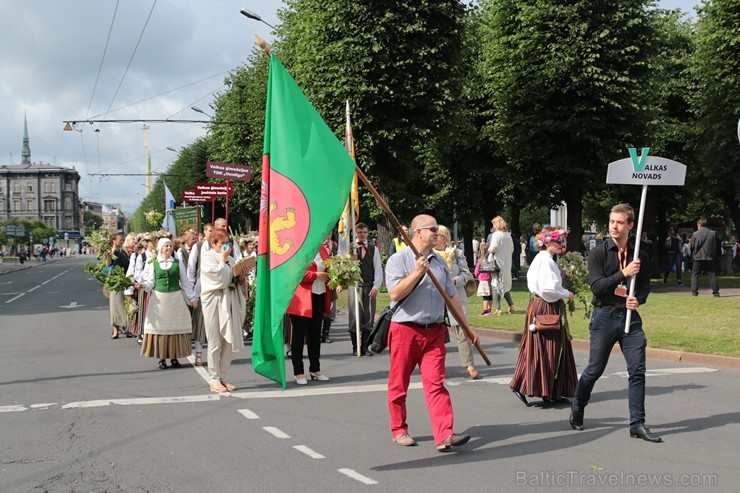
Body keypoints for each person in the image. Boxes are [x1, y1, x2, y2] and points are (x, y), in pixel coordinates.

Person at [570, 203, 662, 442]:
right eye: (612, 221)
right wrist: (624, 273)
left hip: (630, 319)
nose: (614, 226)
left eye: (620, 222)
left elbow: (644, 287)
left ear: (631, 225)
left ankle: (637, 424)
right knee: (594, 370)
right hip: (604, 316)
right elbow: (597, 287)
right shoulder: (598, 253)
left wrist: (637, 300)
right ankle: (578, 406)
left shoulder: (639, 255)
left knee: (637, 371)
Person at [385, 214, 477, 451]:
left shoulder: (439, 263)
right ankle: (399, 429)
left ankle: (445, 434)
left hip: (434, 331)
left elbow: (452, 297)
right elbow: (395, 294)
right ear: (417, 233)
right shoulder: (398, 260)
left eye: (438, 229)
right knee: (399, 384)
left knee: (436, 384)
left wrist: (465, 326)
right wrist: (416, 273)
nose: (438, 232)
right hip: (405, 330)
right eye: (433, 229)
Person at [510, 226, 577, 405]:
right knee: (548, 348)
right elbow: (549, 288)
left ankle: (546, 390)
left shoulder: (542, 259)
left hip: (539, 305)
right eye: (557, 241)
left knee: (539, 347)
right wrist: (567, 293)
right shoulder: (546, 260)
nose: (561, 244)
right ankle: (540, 389)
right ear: (547, 242)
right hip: (546, 306)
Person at [139, 238, 197, 370]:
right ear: (160, 248)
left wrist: (192, 298)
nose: (169, 248)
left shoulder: (177, 263)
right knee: (161, 329)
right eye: (166, 246)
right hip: (159, 300)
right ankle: (162, 358)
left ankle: (174, 357)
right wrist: (143, 286)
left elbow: (185, 281)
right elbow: (150, 283)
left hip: (175, 298)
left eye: (171, 246)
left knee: (174, 328)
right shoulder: (153, 263)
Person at [200, 229, 246, 393]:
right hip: (214, 301)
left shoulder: (230, 258)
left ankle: (223, 376)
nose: (227, 247)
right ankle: (213, 378)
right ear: (213, 243)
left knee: (229, 340)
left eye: (228, 243)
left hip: (230, 301)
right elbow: (217, 279)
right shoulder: (207, 257)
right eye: (223, 243)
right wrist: (222, 261)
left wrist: (242, 275)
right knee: (215, 341)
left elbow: (234, 278)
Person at [433, 225, 478, 379]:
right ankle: (435, 366)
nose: (434, 237)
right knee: (435, 331)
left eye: (437, 235)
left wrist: (455, 280)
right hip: (436, 298)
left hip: (456, 295)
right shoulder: (429, 254)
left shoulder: (457, 253)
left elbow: (466, 274)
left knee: (462, 330)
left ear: (445, 238)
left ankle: (469, 365)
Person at [287, 238, 334, 385]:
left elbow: (330, 268)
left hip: (319, 295)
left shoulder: (323, 249)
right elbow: (296, 273)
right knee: (299, 335)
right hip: (302, 299)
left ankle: (315, 369)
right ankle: (298, 372)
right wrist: (315, 276)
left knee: (315, 334)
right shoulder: (299, 248)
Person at [348, 223, 383, 356]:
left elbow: (378, 269)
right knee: (354, 316)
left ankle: (365, 346)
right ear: (356, 233)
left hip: (369, 285)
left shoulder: (373, 249)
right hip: (354, 286)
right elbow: (342, 266)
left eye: (364, 232)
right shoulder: (350, 248)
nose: (362, 234)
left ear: (368, 233)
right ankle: (355, 346)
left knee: (368, 317)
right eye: (359, 232)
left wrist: (375, 287)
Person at [104, 233, 130, 339]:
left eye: (123, 239)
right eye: (120, 239)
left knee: (125, 305)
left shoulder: (123, 251)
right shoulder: (110, 251)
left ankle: (126, 328)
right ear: (114, 241)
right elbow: (107, 264)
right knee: (115, 305)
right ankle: (115, 329)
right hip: (115, 280)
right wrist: (108, 256)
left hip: (125, 279)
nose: (122, 241)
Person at [488, 216, 515, 316]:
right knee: (505, 285)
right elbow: (512, 249)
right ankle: (511, 305)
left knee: (495, 284)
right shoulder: (508, 235)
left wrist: (488, 250)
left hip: (497, 262)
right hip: (507, 262)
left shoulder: (496, 235)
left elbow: (494, 247)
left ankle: (498, 308)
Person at [690, 218, 720, 297]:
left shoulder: (695, 234)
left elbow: (692, 246)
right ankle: (716, 292)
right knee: (712, 275)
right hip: (709, 257)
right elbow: (716, 246)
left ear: (699, 224)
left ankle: (694, 292)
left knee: (695, 274)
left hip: (698, 257)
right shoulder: (713, 233)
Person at [474, 241, 493, 316]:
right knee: (490, 295)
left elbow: (476, 271)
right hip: (490, 279)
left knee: (485, 296)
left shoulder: (480, 260)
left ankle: (485, 311)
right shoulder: (490, 260)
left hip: (482, 280)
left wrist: (477, 276)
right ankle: (489, 309)